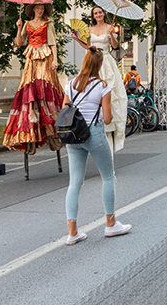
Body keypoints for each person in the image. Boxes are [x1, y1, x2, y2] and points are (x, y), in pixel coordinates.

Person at [62, 47, 131, 245]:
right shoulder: (103, 86)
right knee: (108, 177)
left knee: (75, 183)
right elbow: (108, 118)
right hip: (94, 133)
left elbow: (65, 111)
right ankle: (111, 224)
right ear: (100, 65)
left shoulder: (71, 84)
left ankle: (72, 232)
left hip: (74, 135)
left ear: (85, 62)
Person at [3, 0, 64, 154]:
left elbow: (52, 43)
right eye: (37, 8)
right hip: (31, 59)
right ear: (33, 10)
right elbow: (19, 43)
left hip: (45, 58)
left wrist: (55, 60)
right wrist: (18, 28)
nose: (40, 10)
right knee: (30, 90)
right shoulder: (27, 24)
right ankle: (31, 133)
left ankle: (51, 132)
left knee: (45, 88)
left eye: (42, 8)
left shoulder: (48, 23)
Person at [70, 6, 128, 153]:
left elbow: (115, 47)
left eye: (100, 12)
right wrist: (77, 39)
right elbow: (89, 47)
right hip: (93, 61)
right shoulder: (89, 29)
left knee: (111, 93)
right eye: (95, 13)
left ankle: (110, 126)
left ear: (104, 14)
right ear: (93, 16)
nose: (98, 14)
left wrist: (112, 35)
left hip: (107, 62)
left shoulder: (110, 27)